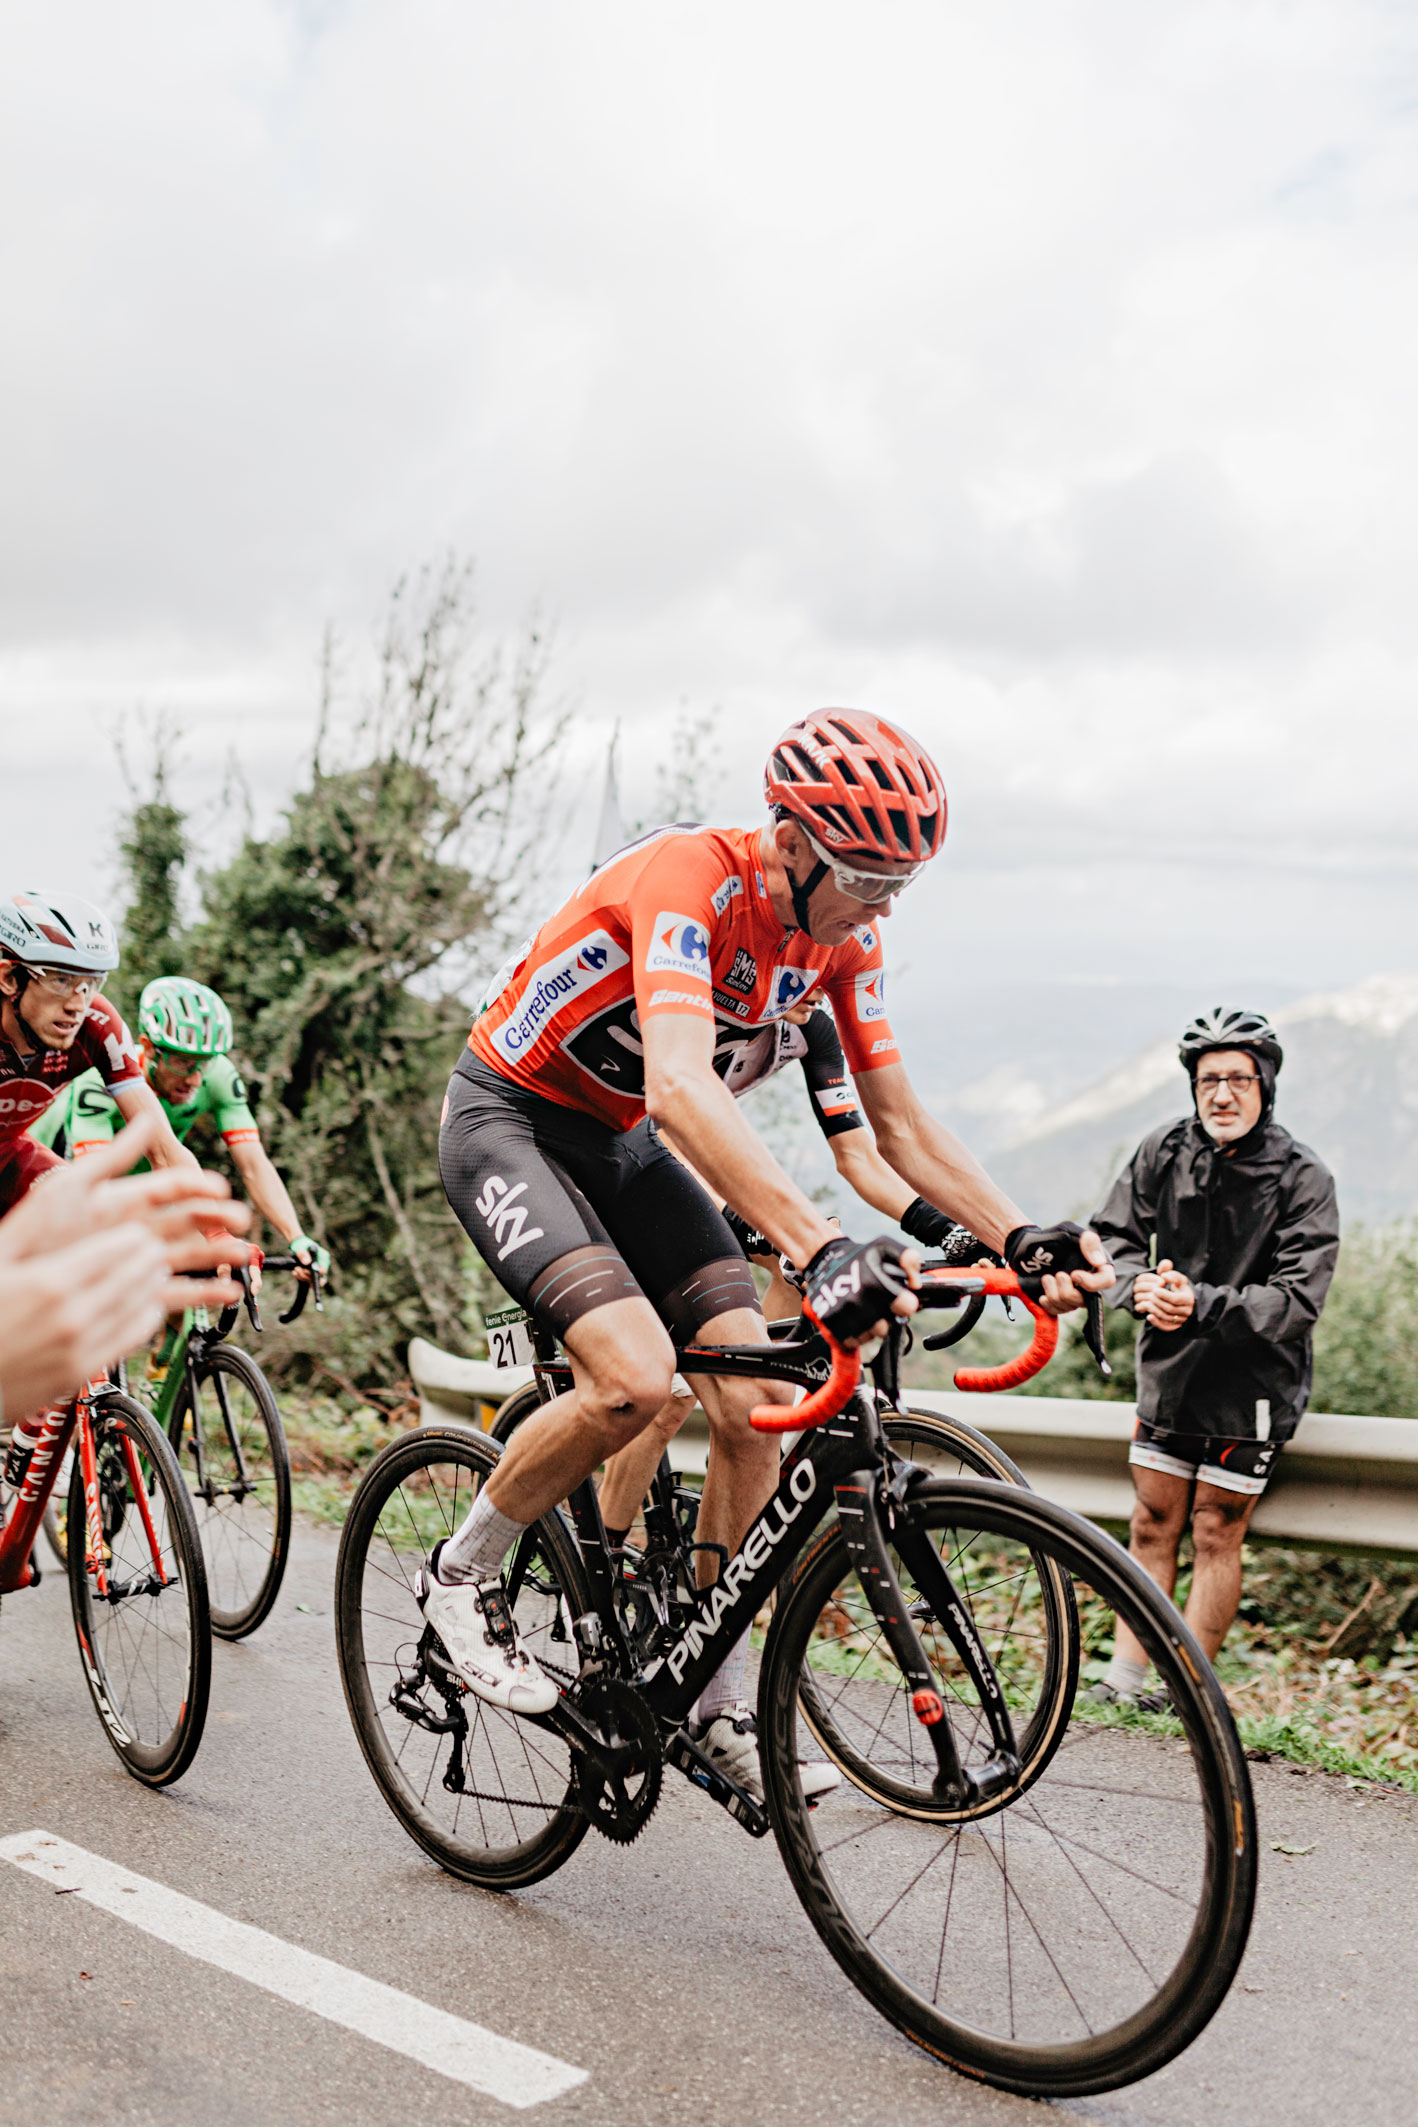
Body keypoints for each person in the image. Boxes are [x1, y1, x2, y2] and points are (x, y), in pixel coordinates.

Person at [431, 708, 1113, 1796]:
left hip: (619, 1147)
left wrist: (1021, 1236)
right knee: (633, 1381)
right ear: (788, 841)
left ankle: (705, 1695)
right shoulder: (685, 879)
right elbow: (681, 1084)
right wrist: (818, 1247)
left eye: (901, 882)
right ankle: (461, 1576)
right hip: (510, 1123)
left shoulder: (843, 940)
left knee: (754, 1410)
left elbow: (899, 1128)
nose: (880, 903)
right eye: (863, 874)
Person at [1089, 1006, 1339, 1705]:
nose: (1221, 1094)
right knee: (1150, 1522)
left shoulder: (1303, 1176)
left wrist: (1197, 1303)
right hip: (1169, 1374)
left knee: (1214, 1530)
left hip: (1253, 1385)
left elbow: (1295, 1301)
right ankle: (1124, 1681)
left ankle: (1182, 1692)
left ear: (1264, 1086)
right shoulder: (1162, 1150)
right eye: (1207, 1080)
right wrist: (1140, 1288)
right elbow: (1109, 1238)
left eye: (1237, 1078)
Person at [31, 975, 329, 1282]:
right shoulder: (99, 1079)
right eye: (185, 1063)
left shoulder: (219, 1076)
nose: (197, 1079)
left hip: (151, 1184)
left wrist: (296, 1237)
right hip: (56, 1177)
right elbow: (94, 1176)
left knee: (182, 1293)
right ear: (147, 1048)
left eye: (205, 1063)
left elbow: (253, 1164)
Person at [0, 1113, 250, 1429]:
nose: (192, 1075)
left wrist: (221, 1236)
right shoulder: (93, 1091)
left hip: (38, 1172)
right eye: (182, 1061)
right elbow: (98, 1167)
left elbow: (176, 1155)